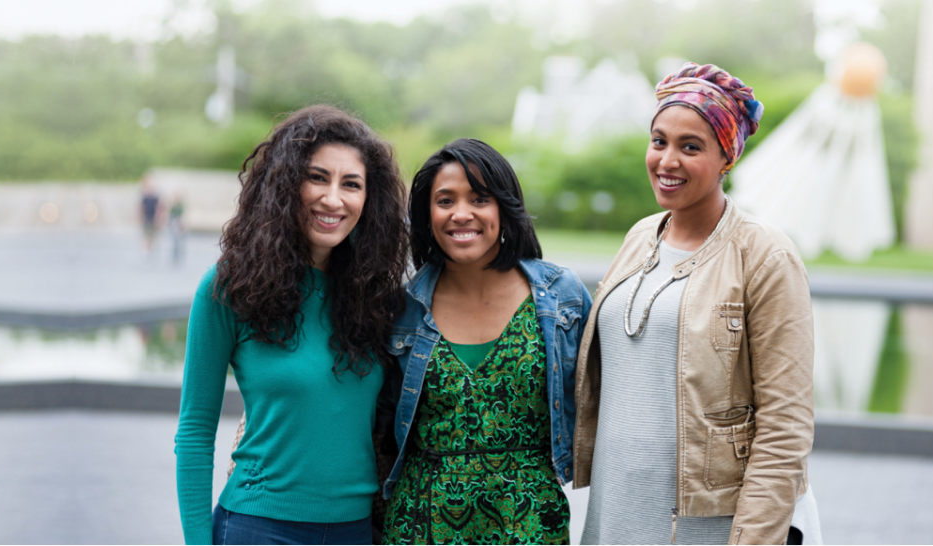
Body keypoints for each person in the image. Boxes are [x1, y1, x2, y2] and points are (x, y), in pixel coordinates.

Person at [573, 63, 822, 546]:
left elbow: (785, 425)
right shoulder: (642, 234)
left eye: (691, 147)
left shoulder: (765, 253)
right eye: (659, 141)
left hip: (707, 525)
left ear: (727, 157)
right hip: (618, 510)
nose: (667, 160)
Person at [175, 105, 408, 546]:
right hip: (258, 527)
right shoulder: (229, 287)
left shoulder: (376, 296)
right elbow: (195, 430)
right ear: (285, 184)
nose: (333, 199)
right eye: (317, 177)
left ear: (368, 200)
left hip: (354, 532)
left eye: (351, 184)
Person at [381, 139, 591, 545]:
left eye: (480, 198)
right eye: (445, 200)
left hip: (530, 522)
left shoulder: (561, 295)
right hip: (421, 523)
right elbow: (375, 425)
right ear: (428, 214)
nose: (462, 214)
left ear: (504, 208)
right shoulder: (401, 309)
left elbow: (606, 397)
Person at [141, 175, 160, 254]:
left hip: (153, 217)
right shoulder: (145, 198)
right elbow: (142, 208)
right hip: (146, 217)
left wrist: (157, 217)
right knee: (146, 234)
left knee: (152, 234)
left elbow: (158, 208)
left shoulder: (155, 198)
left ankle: (151, 248)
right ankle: (146, 248)